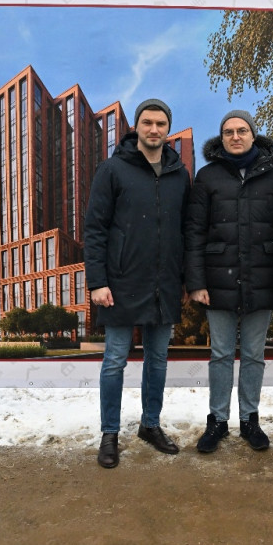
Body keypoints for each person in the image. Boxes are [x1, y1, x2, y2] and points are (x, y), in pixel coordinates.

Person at [84, 98, 190, 469]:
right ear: (137, 127)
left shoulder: (180, 174)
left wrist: (186, 279)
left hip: (164, 283)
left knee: (157, 360)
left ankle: (150, 425)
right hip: (120, 282)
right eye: (147, 123)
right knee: (114, 361)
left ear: (168, 129)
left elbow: (186, 231)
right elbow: (95, 229)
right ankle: (109, 433)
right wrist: (97, 281)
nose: (154, 129)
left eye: (161, 123)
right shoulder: (112, 169)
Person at [185, 110, 273, 453]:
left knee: (254, 354)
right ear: (222, 138)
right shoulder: (208, 176)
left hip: (263, 278)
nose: (235, 136)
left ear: (253, 135)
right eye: (228, 131)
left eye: (242, 130)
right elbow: (195, 231)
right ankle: (217, 420)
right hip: (218, 279)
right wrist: (196, 282)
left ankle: (250, 420)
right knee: (220, 353)